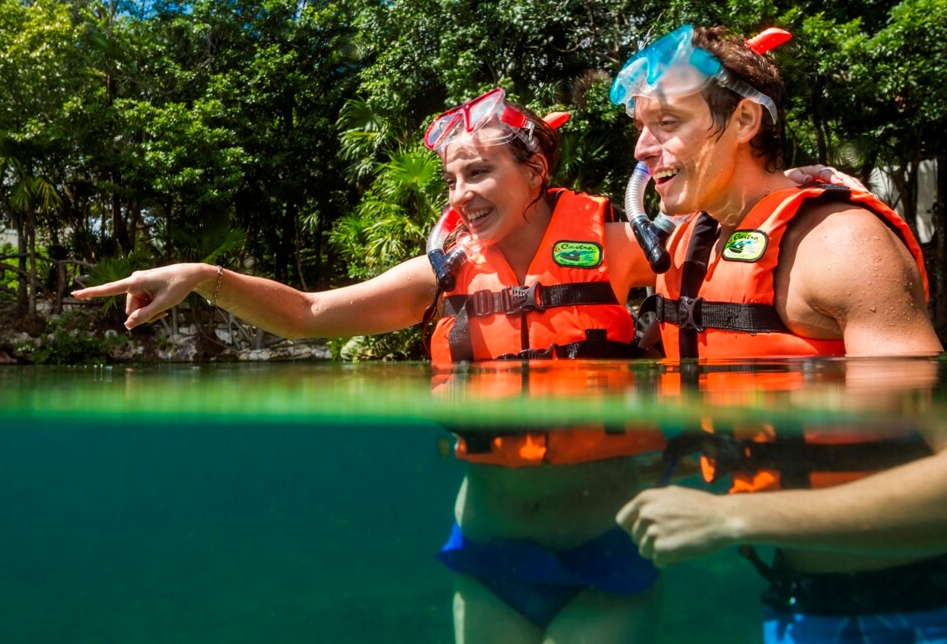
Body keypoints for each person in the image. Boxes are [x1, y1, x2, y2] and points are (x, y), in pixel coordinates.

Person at [73, 87, 667, 643]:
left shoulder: (616, 248)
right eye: (452, 179)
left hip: (605, 548)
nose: (460, 194)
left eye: (479, 172)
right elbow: (307, 313)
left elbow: (721, 246)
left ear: (535, 173)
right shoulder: (444, 272)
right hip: (490, 554)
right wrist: (204, 278)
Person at [607, 24, 947, 643]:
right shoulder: (689, 250)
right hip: (798, 603)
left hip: (921, 604)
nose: (641, 149)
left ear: (742, 121)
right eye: (639, 126)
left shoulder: (838, 245)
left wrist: (734, 516)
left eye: (667, 122)